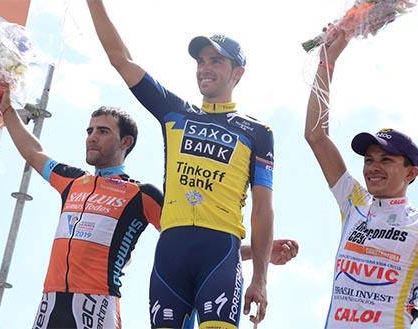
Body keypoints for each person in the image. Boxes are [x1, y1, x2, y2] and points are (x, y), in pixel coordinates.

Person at [87, 1, 276, 327]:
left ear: (237, 73)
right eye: (201, 61)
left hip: (220, 251)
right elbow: (121, 59)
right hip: (171, 252)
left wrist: (260, 279)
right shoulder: (174, 111)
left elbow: (263, 210)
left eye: (216, 61)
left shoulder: (258, 133)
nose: (205, 67)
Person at [304, 30, 418, 328]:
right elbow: (316, 135)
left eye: (386, 159)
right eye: (369, 159)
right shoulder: (355, 203)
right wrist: (328, 60)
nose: (373, 167)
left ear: (411, 172)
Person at [0, 86, 163, 328]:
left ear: (126, 141)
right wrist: (7, 109)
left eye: (103, 131)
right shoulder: (72, 181)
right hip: (50, 299)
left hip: (97, 301)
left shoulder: (141, 193)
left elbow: (184, 238)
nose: (92, 137)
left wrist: (231, 251)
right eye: (90, 130)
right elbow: (33, 152)